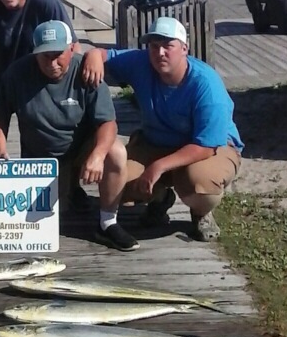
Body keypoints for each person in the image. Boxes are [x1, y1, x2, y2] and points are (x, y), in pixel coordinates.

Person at [81, 16, 243, 242]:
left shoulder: (206, 85)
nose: (160, 53)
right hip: (156, 142)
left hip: (208, 149)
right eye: (154, 46)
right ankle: (160, 199)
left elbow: (206, 145)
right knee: (118, 184)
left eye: (168, 46)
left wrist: (158, 167)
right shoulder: (141, 63)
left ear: (184, 48)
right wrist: (93, 56)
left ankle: (201, 212)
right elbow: (102, 54)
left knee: (200, 184)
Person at [0, 19, 137, 251]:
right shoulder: (16, 74)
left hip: (80, 150)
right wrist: (0, 151)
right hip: (42, 160)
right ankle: (70, 191)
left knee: (116, 152)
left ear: (71, 48)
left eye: (58, 53)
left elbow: (108, 123)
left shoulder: (87, 70)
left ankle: (108, 222)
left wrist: (98, 155)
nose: (52, 61)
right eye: (44, 54)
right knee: (42, 221)